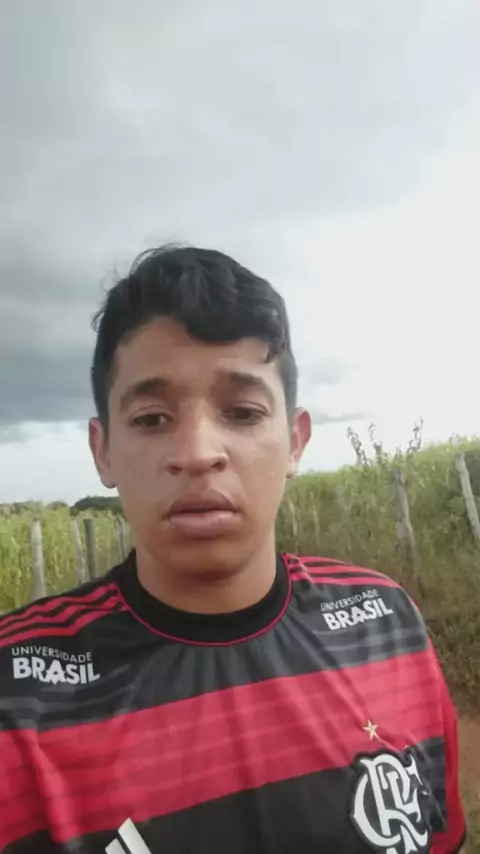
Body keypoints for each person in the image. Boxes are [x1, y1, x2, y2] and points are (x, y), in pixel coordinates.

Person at [0, 245, 465, 854]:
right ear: (103, 450)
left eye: (243, 412)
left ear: (294, 442)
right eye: (151, 419)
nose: (198, 453)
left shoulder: (386, 623)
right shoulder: (17, 696)